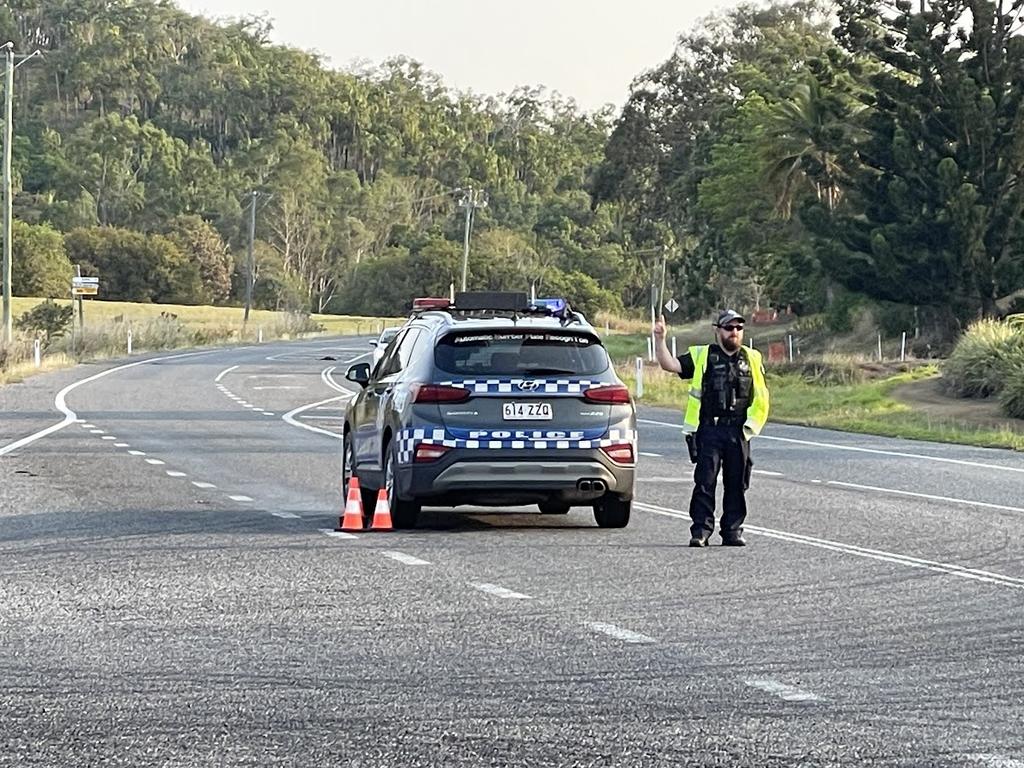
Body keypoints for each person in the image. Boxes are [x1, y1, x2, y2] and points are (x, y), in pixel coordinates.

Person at [652, 309, 770, 547]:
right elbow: (670, 364)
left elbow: (761, 396)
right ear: (717, 331)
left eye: (738, 328)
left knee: (737, 482)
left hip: (739, 431)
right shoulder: (702, 355)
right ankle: (701, 531)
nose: (734, 332)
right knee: (705, 482)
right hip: (710, 430)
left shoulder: (752, 357)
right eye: (729, 328)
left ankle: (732, 531)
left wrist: (750, 428)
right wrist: (660, 339)